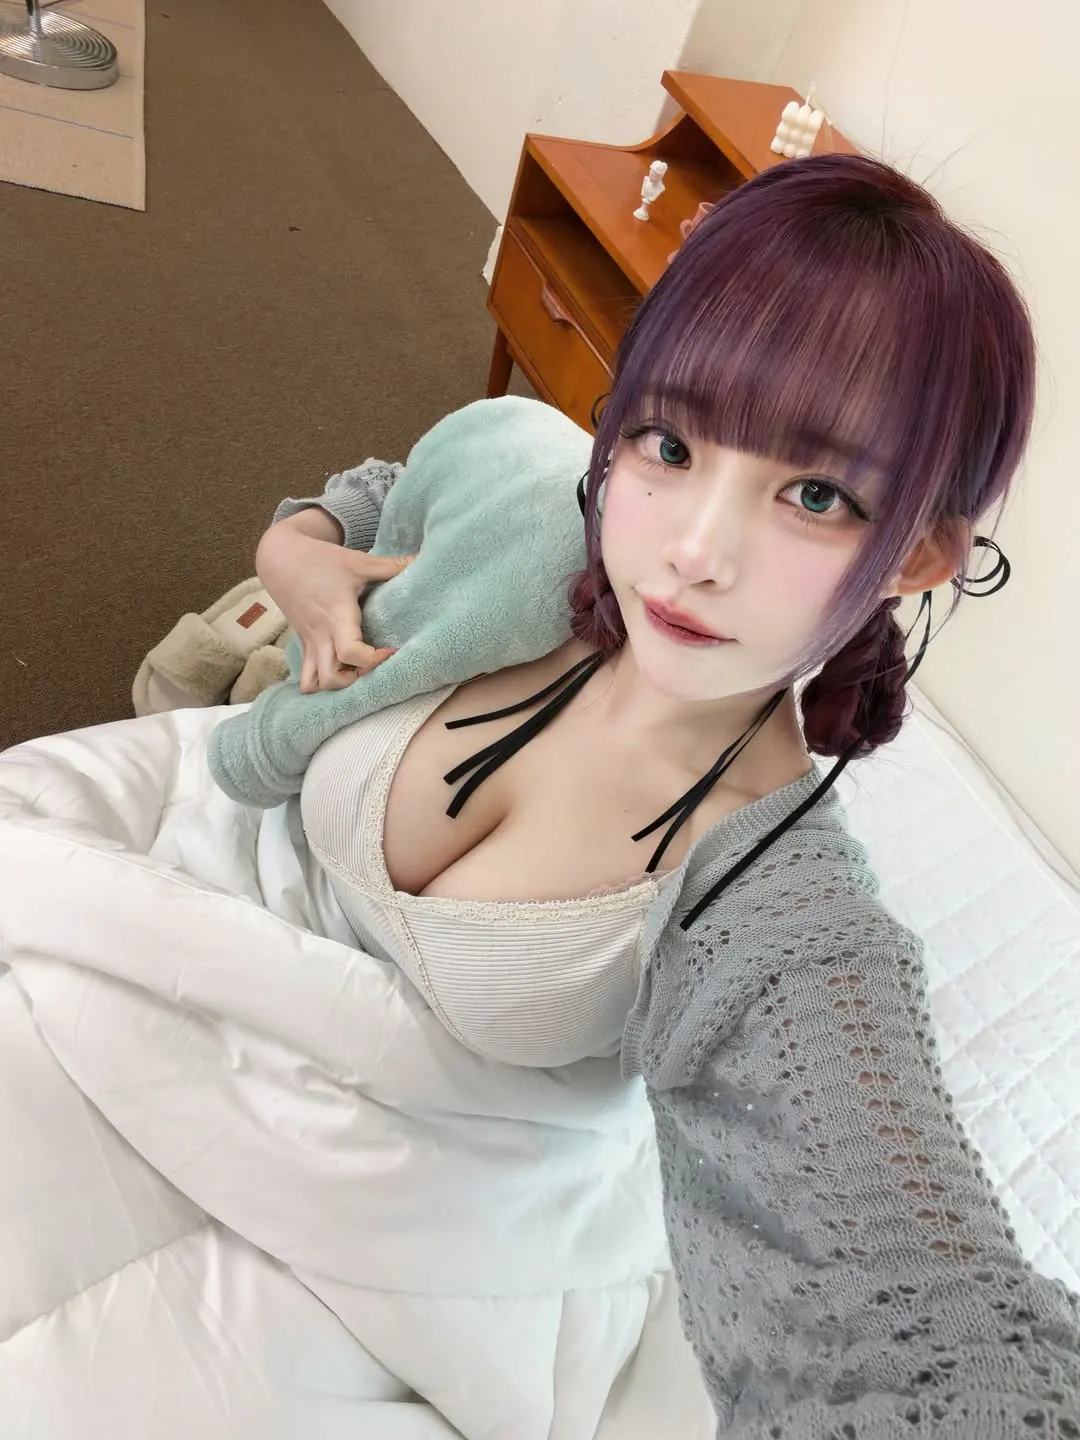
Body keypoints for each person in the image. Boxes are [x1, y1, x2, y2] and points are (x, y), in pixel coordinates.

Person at [250, 153, 1080, 1434]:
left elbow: (918, 1322)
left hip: (359, 1202)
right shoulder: (538, 493)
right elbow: (374, 498)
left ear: (915, 556)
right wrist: (294, 552)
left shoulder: (771, 901)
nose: (692, 552)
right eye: (670, 443)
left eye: (816, 494)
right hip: (192, 867)